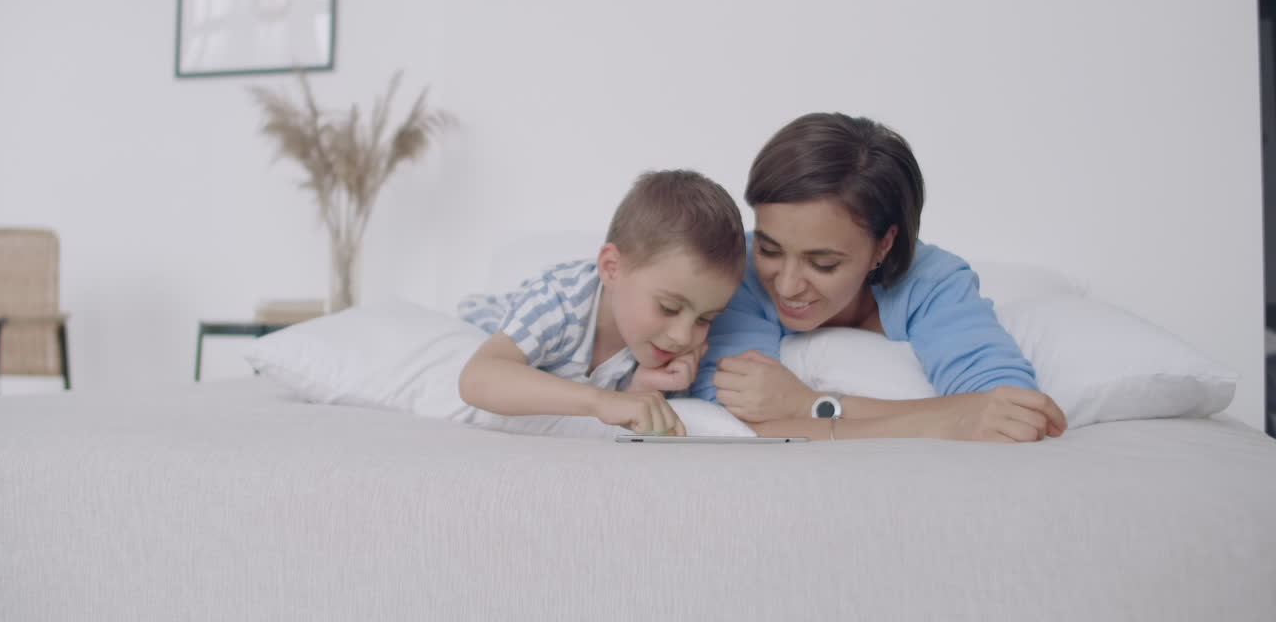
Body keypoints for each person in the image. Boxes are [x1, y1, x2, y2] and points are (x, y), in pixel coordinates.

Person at [689, 112, 1068, 443]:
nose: (787, 285)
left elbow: (1011, 412)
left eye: (822, 263)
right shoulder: (737, 271)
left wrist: (806, 406)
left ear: (885, 244)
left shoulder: (932, 281)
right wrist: (943, 421)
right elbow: (731, 423)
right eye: (769, 249)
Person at [458, 169, 746, 437]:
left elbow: (630, 410)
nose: (682, 336)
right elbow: (477, 379)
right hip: (482, 322)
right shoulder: (560, 299)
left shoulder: (663, 348)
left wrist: (642, 388)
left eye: (704, 319)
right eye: (668, 307)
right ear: (611, 268)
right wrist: (602, 401)